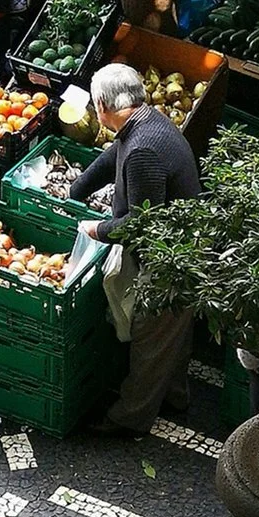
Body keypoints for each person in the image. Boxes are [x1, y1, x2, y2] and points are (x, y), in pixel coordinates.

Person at [70, 64, 201, 437]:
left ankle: (129, 417)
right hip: (182, 249)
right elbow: (114, 156)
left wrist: (97, 228)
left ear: (100, 105)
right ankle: (175, 397)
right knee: (171, 335)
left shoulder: (143, 148)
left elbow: (142, 223)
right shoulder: (147, 124)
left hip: (172, 260)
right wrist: (77, 189)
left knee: (151, 336)